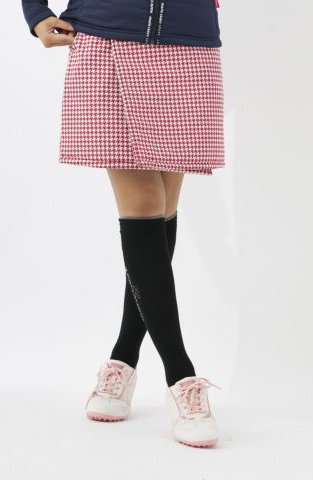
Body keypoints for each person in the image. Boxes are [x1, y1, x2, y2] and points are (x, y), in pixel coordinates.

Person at [21, 0, 224, 448]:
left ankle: (122, 359)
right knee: (144, 201)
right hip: (107, 37)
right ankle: (181, 376)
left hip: (188, 42)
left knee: (165, 205)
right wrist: (35, 12)